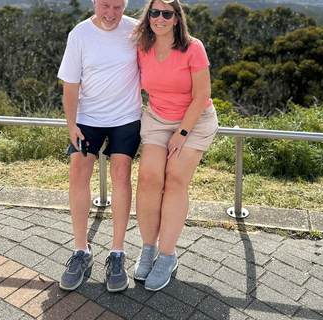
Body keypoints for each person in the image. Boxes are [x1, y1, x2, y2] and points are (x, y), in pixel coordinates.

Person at [132, 0, 218, 291]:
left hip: (193, 121)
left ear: (177, 19)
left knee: (176, 179)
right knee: (147, 178)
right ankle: (148, 249)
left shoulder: (193, 48)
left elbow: (202, 94)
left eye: (167, 13)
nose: (160, 18)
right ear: (148, 16)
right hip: (157, 118)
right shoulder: (142, 46)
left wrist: (181, 133)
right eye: (154, 12)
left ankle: (167, 255)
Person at [57, 0, 142, 292]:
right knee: (78, 172)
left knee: (121, 174)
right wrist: (71, 125)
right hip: (88, 117)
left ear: (126, 5)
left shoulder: (136, 31)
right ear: (94, 2)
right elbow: (70, 83)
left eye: (118, 7)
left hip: (126, 116)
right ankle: (81, 250)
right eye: (105, 5)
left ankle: (117, 254)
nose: (111, 13)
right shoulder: (79, 34)